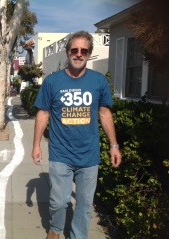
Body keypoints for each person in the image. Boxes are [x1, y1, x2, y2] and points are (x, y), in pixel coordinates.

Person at [32, 31, 122, 239]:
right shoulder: (53, 81)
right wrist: (36, 145)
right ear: (67, 52)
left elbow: (104, 112)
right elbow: (43, 113)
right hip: (60, 153)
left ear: (89, 53)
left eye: (84, 50)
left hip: (89, 155)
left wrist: (114, 145)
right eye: (75, 50)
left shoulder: (98, 81)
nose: (79, 54)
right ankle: (55, 229)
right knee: (59, 201)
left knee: (84, 205)